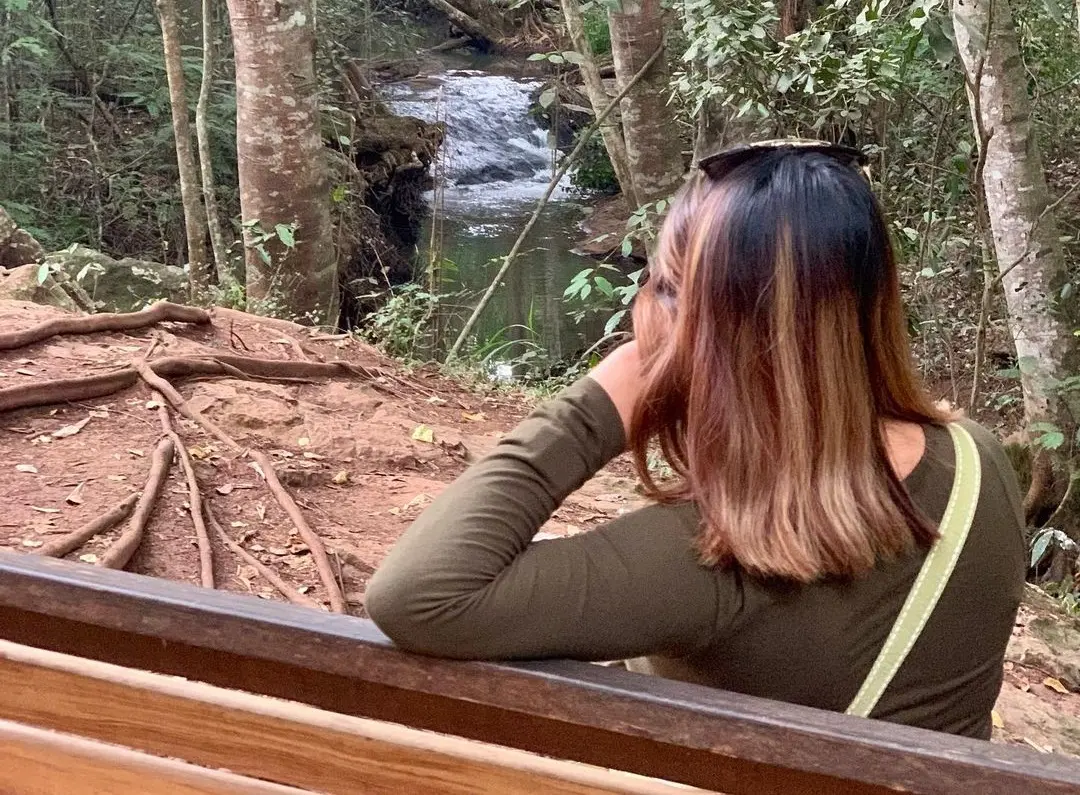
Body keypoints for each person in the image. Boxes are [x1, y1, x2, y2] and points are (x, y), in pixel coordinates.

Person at [366, 140, 1025, 739]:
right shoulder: (978, 460)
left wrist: (603, 400)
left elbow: (420, 594)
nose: (641, 307)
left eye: (672, 289)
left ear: (729, 339)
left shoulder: (719, 558)